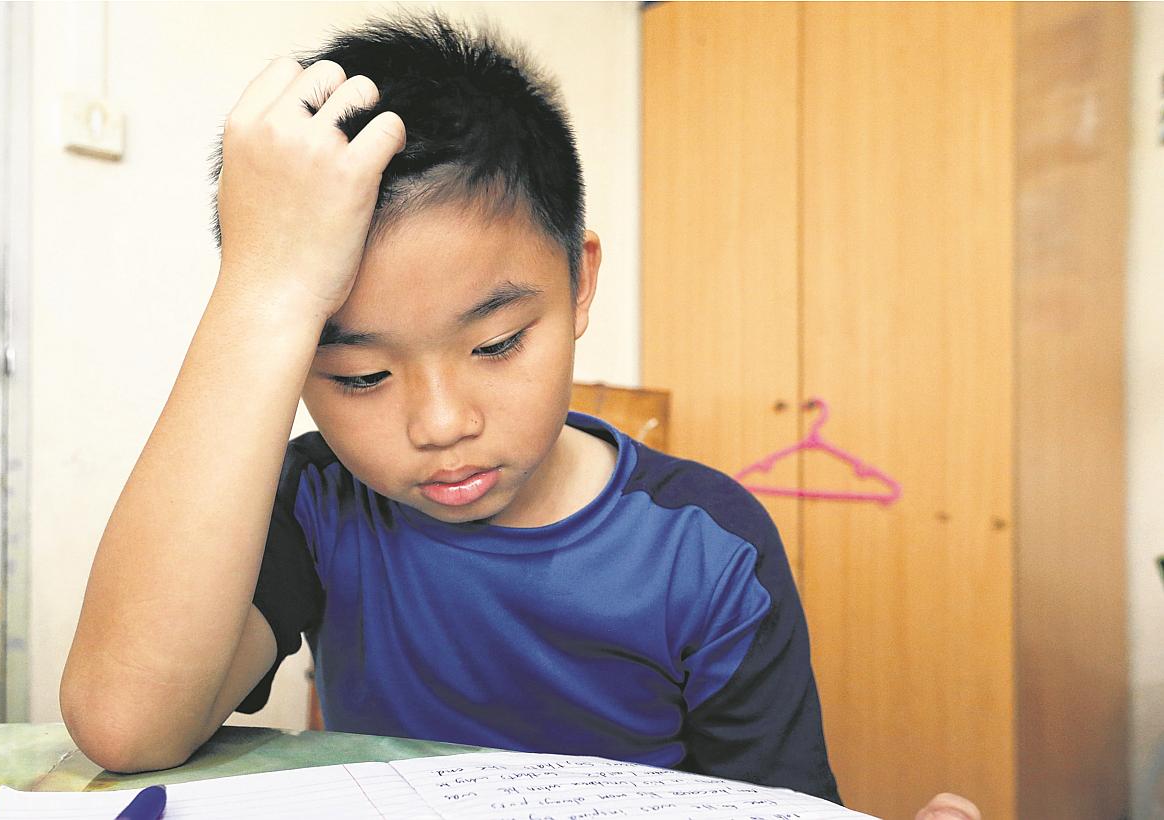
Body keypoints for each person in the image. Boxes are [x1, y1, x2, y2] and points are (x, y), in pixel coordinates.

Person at [60, 11, 841, 805]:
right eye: (361, 376)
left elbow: (779, 805)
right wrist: (265, 291)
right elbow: (126, 726)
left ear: (578, 283)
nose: (440, 426)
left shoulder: (709, 545)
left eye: (497, 344)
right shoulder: (321, 506)